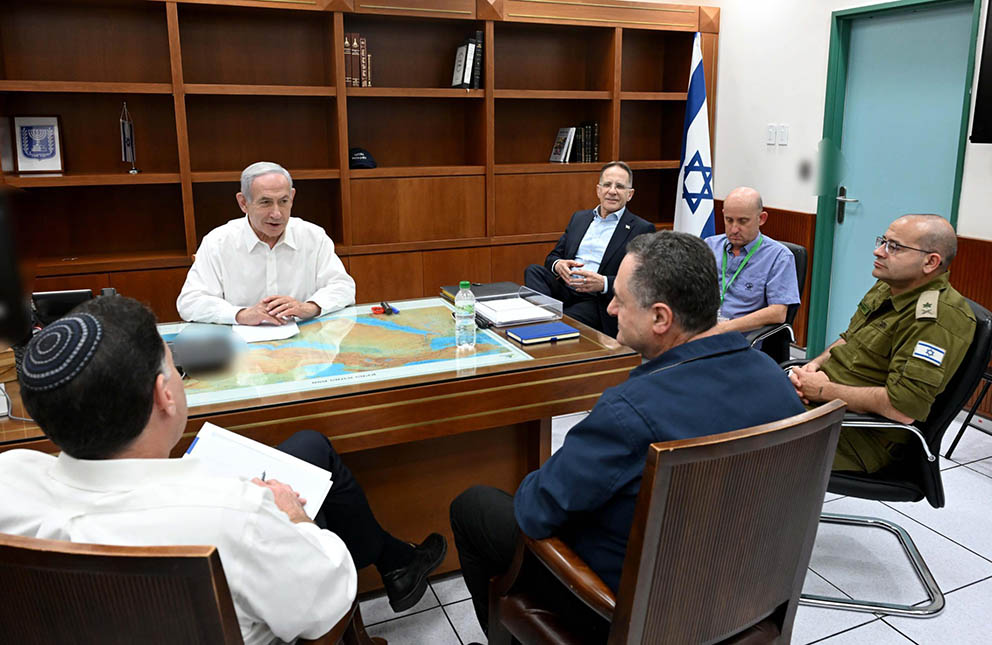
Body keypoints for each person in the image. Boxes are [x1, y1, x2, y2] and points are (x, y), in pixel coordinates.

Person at [0, 297, 446, 644]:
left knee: (308, 447)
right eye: (174, 366)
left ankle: (397, 560)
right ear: (164, 395)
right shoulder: (236, 515)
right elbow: (328, 601)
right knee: (311, 490)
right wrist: (295, 520)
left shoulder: (10, 475)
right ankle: (396, 560)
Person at [452, 231, 805, 634]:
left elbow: (535, 511)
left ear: (660, 318)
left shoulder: (629, 411)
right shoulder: (775, 381)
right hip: (744, 599)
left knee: (473, 506)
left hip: (633, 612)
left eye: (620, 298)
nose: (612, 307)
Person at [790, 214, 976, 473]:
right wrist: (814, 366)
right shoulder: (889, 286)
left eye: (894, 247)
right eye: (883, 242)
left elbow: (902, 408)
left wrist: (822, 390)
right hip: (823, 406)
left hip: (859, 436)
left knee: (742, 431)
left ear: (930, 262)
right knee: (740, 397)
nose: (878, 251)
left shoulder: (937, 318)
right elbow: (849, 337)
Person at [177, 161, 355, 326]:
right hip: (239, 344)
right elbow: (190, 302)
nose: (277, 214)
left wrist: (309, 307)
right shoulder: (217, 242)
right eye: (265, 202)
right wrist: (240, 314)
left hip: (304, 342)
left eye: (283, 201)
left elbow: (343, 287)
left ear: (292, 197)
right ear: (243, 203)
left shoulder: (313, 237)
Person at [524, 161, 655, 337]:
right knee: (533, 271)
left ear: (629, 194)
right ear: (598, 190)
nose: (612, 191)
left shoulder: (641, 228)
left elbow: (644, 279)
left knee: (566, 320)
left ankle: (547, 323)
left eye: (619, 186)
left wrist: (604, 283)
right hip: (565, 288)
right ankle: (548, 320)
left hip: (596, 300)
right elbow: (553, 257)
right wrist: (558, 265)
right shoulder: (579, 218)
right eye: (607, 185)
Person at [704, 186, 800, 333]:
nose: (734, 229)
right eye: (729, 220)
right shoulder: (709, 245)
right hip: (701, 330)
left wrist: (723, 328)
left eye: (743, 221)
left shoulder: (779, 257)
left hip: (740, 336)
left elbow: (778, 312)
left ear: (761, 219)